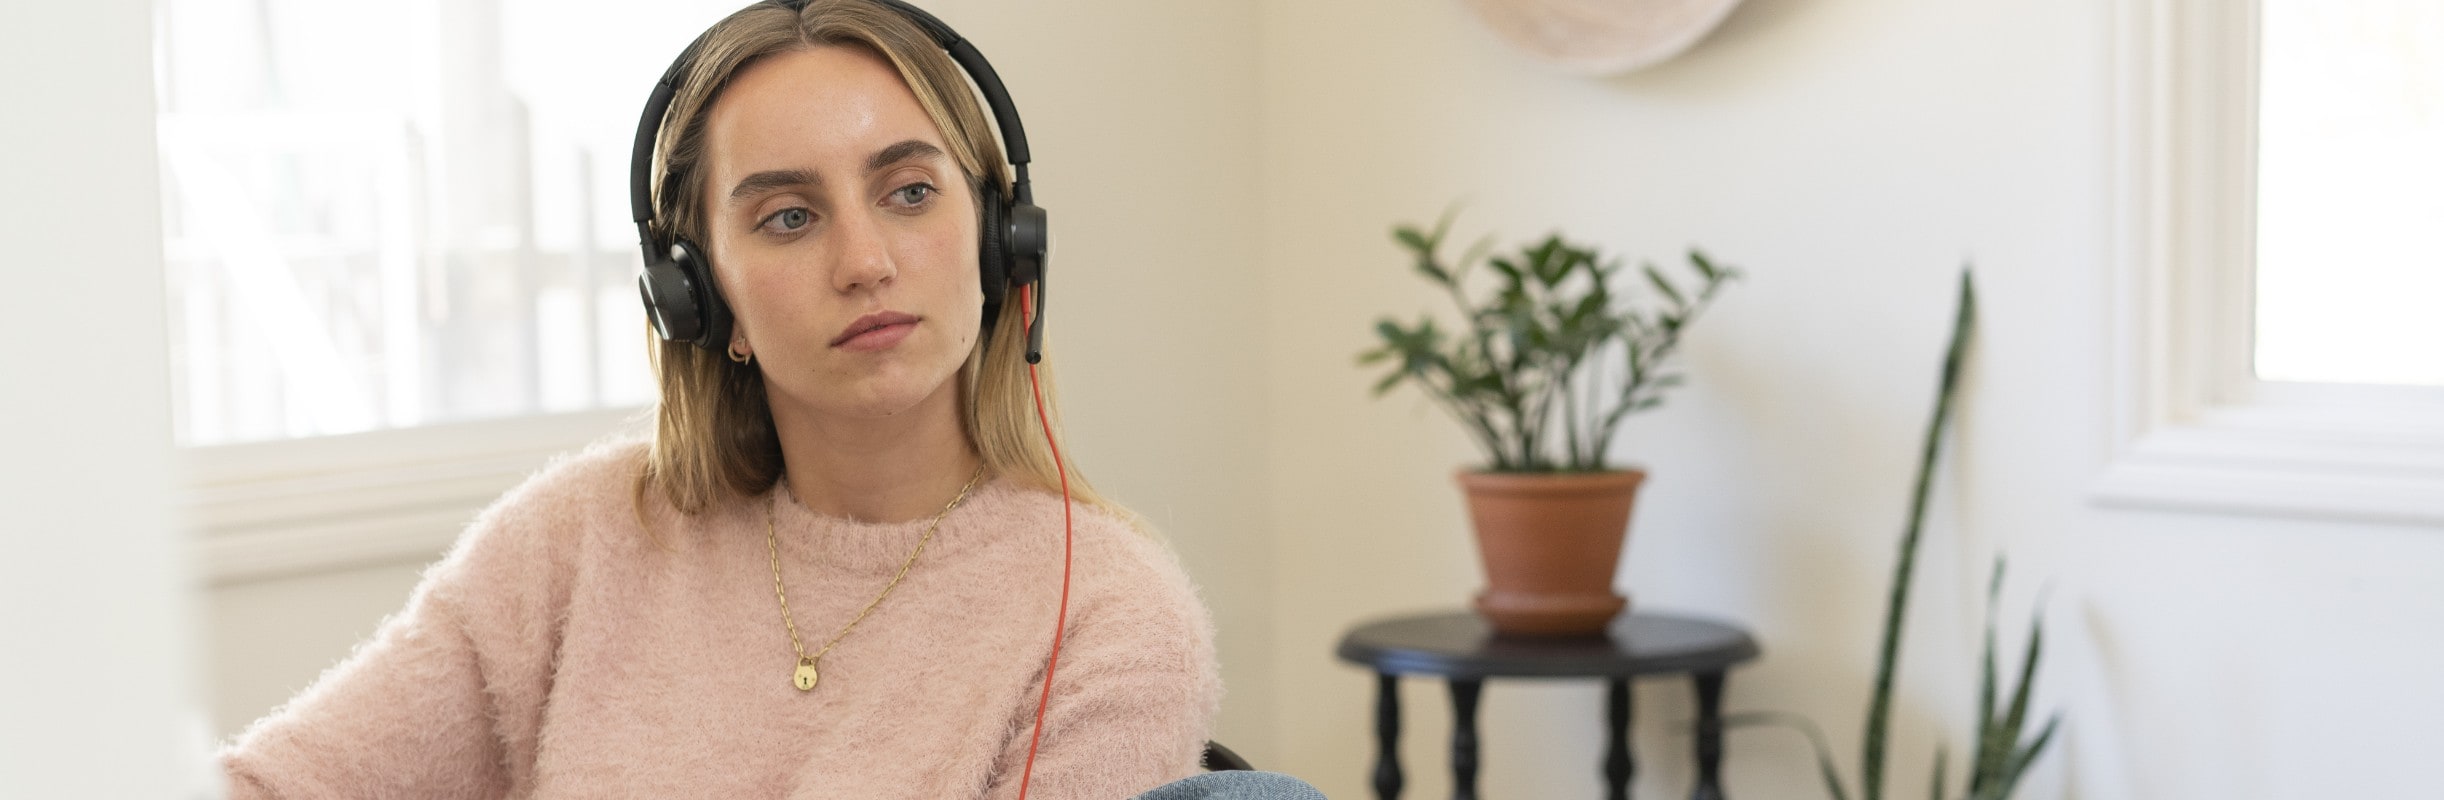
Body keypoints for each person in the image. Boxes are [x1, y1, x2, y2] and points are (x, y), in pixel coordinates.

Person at [218, 1, 1321, 797]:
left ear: (997, 242)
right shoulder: (581, 538)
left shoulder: (1109, 615)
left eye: (908, 191)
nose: (864, 259)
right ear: (701, 300)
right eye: (787, 216)